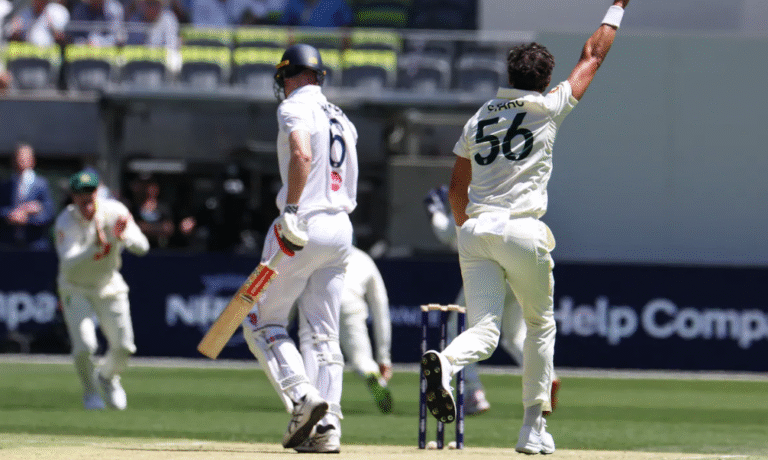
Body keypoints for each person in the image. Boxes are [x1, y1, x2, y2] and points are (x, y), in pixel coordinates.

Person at [421, 0, 630, 455]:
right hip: (521, 229)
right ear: (544, 78)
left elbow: (457, 187)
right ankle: (532, 429)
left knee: (484, 332)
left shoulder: (479, 117)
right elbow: (593, 55)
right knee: (539, 325)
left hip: (475, 230)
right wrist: (616, 6)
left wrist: (466, 234)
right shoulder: (549, 106)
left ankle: (446, 361)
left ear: (508, 76)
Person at [240, 43, 358, 453]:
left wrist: (291, 209)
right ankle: (328, 427)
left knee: (259, 320)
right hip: (342, 230)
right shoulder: (343, 119)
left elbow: (300, 153)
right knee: (324, 331)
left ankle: (301, 396)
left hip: (301, 225)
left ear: (289, 76)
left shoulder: (294, 107)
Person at [423, 185, 561, 416]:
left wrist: (433, 210)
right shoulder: (513, 188)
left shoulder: (476, 191)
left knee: (463, 328)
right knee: (516, 335)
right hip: (525, 255)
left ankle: (473, 394)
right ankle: (546, 379)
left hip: (490, 267)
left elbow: (446, 231)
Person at [54, 169, 149, 410]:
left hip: (108, 284)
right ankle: (89, 392)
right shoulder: (65, 221)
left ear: (97, 192)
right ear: (73, 196)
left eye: (90, 192)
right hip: (75, 288)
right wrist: (94, 247)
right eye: (80, 193)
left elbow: (143, 247)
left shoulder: (115, 212)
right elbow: (68, 263)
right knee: (86, 347)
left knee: (125, 346)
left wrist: (124, 238)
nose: (86, 198)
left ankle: (106, 377)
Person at [338, 246, 393, 414]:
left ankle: (309, 397)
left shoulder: (320, 250)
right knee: (361, 360)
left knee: (317, 351)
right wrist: (384, 357)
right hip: (351, 304)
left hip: (320, 303)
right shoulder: (365, 259)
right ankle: (372, 374)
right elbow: (380, 309)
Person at [0, 143, 55, 250]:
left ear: (32, 160)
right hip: (9, 244)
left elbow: (49, 214)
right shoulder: (5, 185)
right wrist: (11, 215)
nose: (21, 161)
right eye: (18, 158)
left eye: (24, 158)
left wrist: (28, 219)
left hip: (35, 244)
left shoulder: (42, 184)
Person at [4, 0, 69, 46]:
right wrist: (16, 32)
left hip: (50, 54)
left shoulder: (55, 11)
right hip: (28, 54)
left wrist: (54, 29)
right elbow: (14, 38)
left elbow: (63, 39)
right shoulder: (24, 13)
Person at [278, 0, 353, 27]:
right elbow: (285, 29)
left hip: (331, 51)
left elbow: (346, 29)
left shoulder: (337, 2)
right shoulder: (293, 3)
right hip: (301, 50)